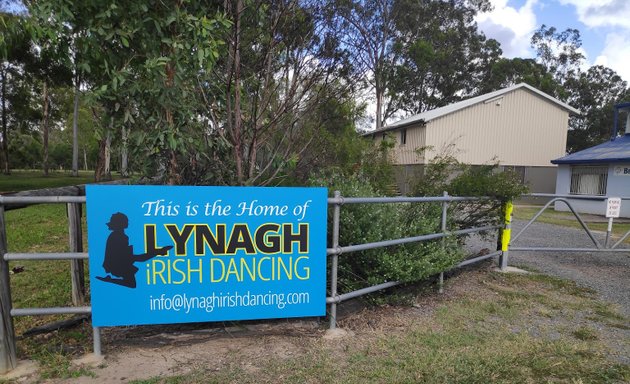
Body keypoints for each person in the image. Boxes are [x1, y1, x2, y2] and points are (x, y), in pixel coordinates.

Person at [96, 212, 171, 288]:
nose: (128, 222)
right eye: (126, 221)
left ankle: (109, 280)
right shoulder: (119, 237)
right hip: (118, 265)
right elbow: (127, 257)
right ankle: (109, 280)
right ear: (121, 223)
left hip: (119, 263)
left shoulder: (119, 236)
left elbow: (130, 257)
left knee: (131, 283)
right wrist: (157, 252)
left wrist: (157, 252)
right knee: (131, 284)